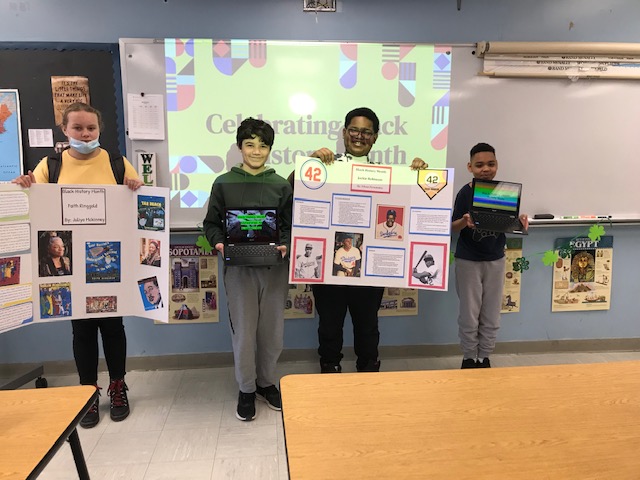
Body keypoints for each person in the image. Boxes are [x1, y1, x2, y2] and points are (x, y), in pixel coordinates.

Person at [12, 102, 144, 428]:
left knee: (113, 328)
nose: (85, 134)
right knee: (81, 331)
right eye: (78, 128)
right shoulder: (51, 165)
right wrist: (23, 187)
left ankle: (117, 386)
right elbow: (31, 201)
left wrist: (136, 187)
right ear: (65, 130)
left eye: (91, 129)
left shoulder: (116, 163)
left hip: (108, 263)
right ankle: (87, 392)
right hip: (68, 268)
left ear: (99, 130)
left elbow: (140, 201)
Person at [203, 117, 292, 421]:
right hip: (239, 268)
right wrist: (219, 244)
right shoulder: (223, 183)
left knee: (271, 330)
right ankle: (246, 387)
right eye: (250, 144)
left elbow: (288, 225)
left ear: (270, 149)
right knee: (244, 331)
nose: (256, 151)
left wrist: (285, 243)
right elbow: (211, 224)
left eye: (263, 145)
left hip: (274, 267)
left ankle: (266, 382)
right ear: (239, 146)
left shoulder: (280, 184)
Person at [309, 107, 387, 374]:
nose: (359, 136)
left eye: (366, 132)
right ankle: (329, 369)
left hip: (369, 266)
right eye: (354, 130)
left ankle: (368, 372)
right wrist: (310, 163)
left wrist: (418, 174)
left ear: (375, 137)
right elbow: (291, 190)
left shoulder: (387, 174)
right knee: (329, 325)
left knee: (368, 326)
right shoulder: (326, 167)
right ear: (344, 133)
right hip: (331, 266)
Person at [451, 142, 529, 369]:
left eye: (490, 164)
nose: (485, 169)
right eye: (479, 165)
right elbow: (452, 226)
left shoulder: (503, 192)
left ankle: (484, 356)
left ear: (497, 165)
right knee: (469, 312)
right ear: (470, 167)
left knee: (492, 312)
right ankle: (469, 356)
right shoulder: (465, 192)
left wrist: (522, 223)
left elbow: (510, 226)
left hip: (496, 259)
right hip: (468, 261)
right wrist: (464, 222)